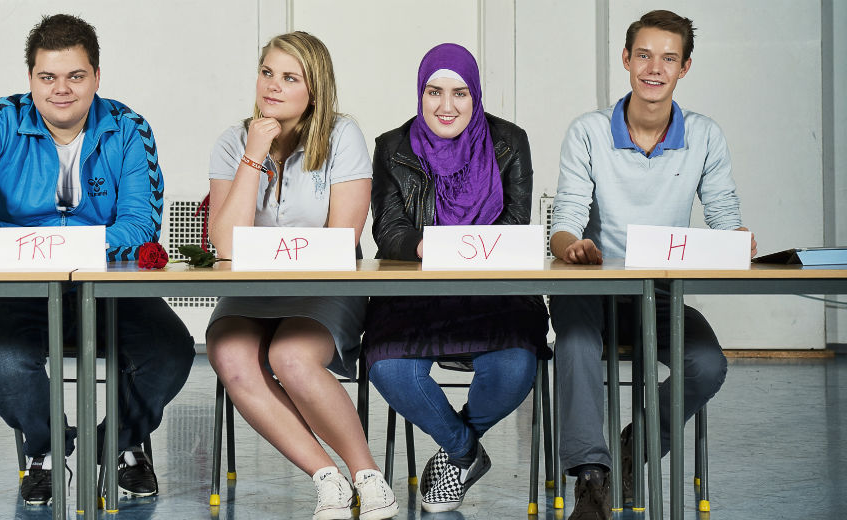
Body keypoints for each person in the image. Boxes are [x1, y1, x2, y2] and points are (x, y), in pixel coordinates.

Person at [0, 14, 195, 505]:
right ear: (32, 79)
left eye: (75, 76)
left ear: (96, 77)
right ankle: (46, 449)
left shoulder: (128, 128)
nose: (61, 90)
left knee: (169, 353)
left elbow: (141, 224)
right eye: (48, 77)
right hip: (13, 288)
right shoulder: (3, 118)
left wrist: (70, 248)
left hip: (106, 287)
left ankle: (118, 445)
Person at [549, 10, 757, 519]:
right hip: (590, 287)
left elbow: (726, 217)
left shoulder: (705, 136)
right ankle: (591, 479)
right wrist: (571, 246)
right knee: (574, 344)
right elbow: (566, 219)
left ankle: (630, 449)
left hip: (659, 290)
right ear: (626, 59)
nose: (653, 68)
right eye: (643, 55)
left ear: (685, 67)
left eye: (668, 58)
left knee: (707, 364)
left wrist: (738, 241)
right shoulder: (589, 132)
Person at [205, 31, 398, 520]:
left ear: (315, 89)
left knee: (290, 356)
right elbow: (225, 246)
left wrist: (272, 256)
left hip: (323, 288)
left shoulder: (342, 135)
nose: (272, 86)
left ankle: (367, 476)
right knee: (229, 352)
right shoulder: (234, 141)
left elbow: (342, 239)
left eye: (290, 78)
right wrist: (254, 153)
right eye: (267, 72)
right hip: (251, 291)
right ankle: (326, 478)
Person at [363, 43, 551, 512]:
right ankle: (465, 452)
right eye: (434, 92)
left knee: (515, 366)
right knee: (386, 366)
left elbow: (514, 222)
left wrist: (465, 254)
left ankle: (451, 454)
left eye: (460, 93)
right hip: (417, 290)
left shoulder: (510, 142)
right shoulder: (392, 146)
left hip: (493, 289)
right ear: (420, 93)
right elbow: (387, 230)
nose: (446, 106)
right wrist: (425, 247)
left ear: (476, 95)